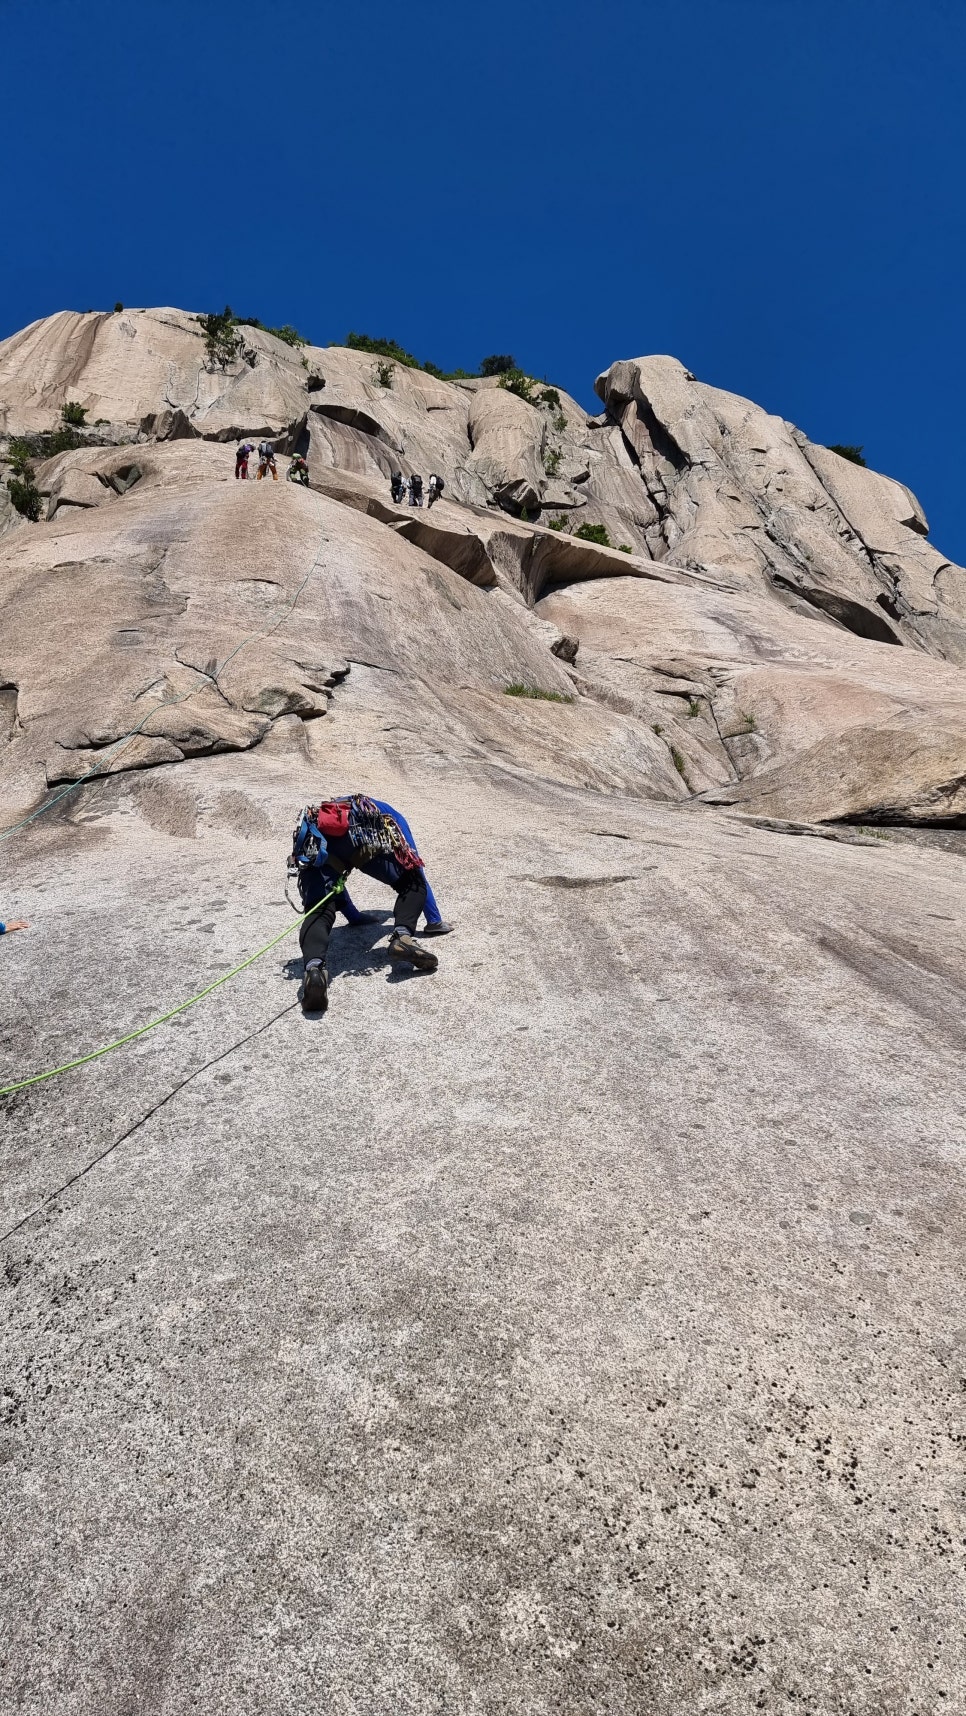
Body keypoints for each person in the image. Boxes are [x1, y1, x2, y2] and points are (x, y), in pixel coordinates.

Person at [291, 795, 443, 1013]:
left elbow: (336, 887)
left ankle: (315, 969)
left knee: (320, 908)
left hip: (316, 835)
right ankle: (403, 937)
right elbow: (413, 861)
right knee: (412, 882)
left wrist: (355, 917)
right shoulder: (389, 812)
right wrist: (434, 921)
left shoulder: (329, 810)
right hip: (360, 830)